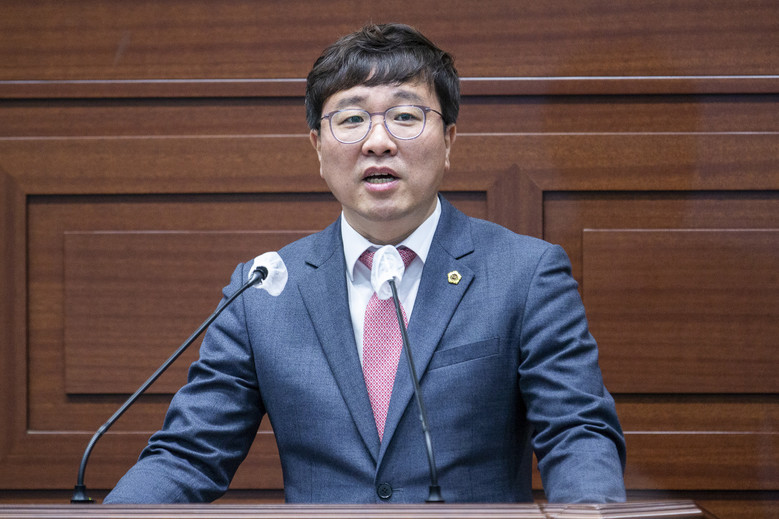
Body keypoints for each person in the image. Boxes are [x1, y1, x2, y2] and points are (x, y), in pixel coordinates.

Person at [104, 23, 626, 504]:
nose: (378, 142)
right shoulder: (263, 290)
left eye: (405, 116)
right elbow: (187, 455)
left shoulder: (524, 274)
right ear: (317, 148)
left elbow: (577, 433)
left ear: (448, 142)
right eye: (352, 119)